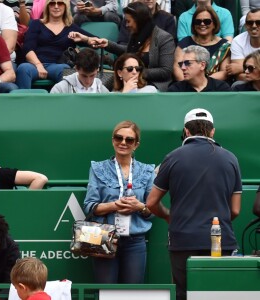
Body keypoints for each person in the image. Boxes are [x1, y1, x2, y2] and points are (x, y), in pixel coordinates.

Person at [146, 108, 242, 300]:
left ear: (186, 131)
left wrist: (168, 216)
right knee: (218, 294)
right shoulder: (231, 158)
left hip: (183, 239)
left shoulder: (173, 157)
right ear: (212, 131)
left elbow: (151, 203)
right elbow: (235, 209)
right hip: (220, 240)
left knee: (184, 294)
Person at [83, 120, 155, 283]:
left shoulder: (147, 171)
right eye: (118, 138)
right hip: (103, 238)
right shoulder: (97, 168)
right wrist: (114, 205)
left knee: (132, 293)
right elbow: (89, 206)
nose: (123, 142)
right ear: (113, 140)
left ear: (136, 144)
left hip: (135, 240)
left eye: (129, 140)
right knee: (106, 292)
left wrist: (140, 207)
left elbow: (153, 210)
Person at [69, 2, 175, 91]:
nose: (126, 25)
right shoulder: (136, 36)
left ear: (140, 21)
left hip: (152, 85)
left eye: (128, 21)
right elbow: (129, 52)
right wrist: (107, 44)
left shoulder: (164, 38)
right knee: (101, 91)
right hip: (129, 82)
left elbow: (165, 71)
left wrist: (135, 72)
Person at [15, 0, 95, 89]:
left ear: (66, 6)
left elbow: (96, 40)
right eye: (52, 3)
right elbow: (28, 48)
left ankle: (65, 102)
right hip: (33, 65)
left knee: (65, 69)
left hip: (57, 66)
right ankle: (24, 102)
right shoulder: (36, 24)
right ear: (47, 6)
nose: (56, 6)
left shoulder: (71, 28)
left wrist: (86, 39)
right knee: (23, 68)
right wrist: (38, 65)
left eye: (60, 3)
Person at [173, 6, 230, 81]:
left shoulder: (223, 45)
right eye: (198, 21)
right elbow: (177, 67)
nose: (202, 24)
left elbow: (224, 72)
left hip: (214, 87)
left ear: (214, 24)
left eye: (207, 21)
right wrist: (188, 84)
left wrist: (203, 83)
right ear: (194, 25)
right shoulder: (185, 42)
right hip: (185, 87)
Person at [226, 8, 260, 81]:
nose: (254, 26)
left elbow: (238, 69)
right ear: (245, 25)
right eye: (250, 23)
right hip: (247, 83)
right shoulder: (238, 41)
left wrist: (241, 68)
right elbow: (238, 76)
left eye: (258, 22)